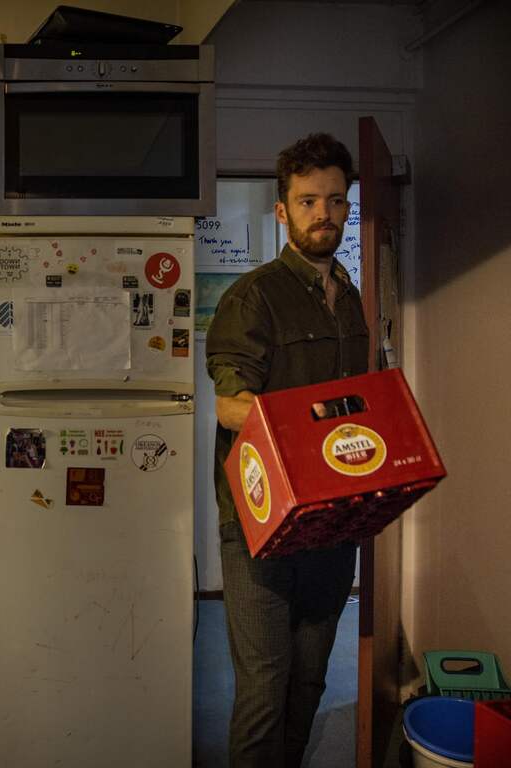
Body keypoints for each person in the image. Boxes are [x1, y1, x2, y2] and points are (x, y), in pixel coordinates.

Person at [205, 133, 370, 768]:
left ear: (347, 205)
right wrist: (314, 423)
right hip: (260, 521)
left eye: (335, 200)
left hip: (332, 519)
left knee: (309, 682)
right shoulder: (254, 295)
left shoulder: (349, 296)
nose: (322, 213)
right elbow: (230, 406)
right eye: (307, 201)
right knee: (263, 692)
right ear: (283, 211)